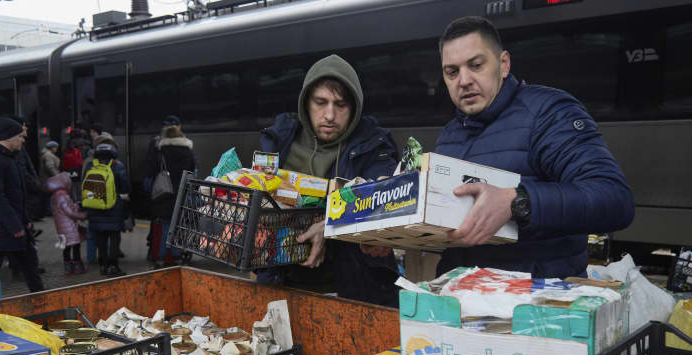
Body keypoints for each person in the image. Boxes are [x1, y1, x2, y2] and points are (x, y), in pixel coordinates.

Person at [433, 16, 635, 278]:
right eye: (452, 72)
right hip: (459, 301)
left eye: (476, 65)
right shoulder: (449, 136)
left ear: (503, 64)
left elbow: (615, 199)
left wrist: (518, 203)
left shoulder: (548, 113)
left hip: (536, 308)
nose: (464, 80)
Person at [258, 54, 400, 307]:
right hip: (283, 284)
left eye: (341, 104)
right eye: (320, 102)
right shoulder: (280, 140)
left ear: (354, 107)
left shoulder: (375, 145)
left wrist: (330, 226)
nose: (330, 115)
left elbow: (384, 199)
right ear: (306, 102)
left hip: (355, 288)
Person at [0, 117, 45, 293]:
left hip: (13, 226)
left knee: (30, 267)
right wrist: (15, 225)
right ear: (9, 137)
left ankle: (42, 300)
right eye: (20, 137)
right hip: (4, 229)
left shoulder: (8, 158)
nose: (23, 140)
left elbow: (17, 194)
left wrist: (25, 220)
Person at [145, 116, 195, 268]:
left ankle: (160, 257)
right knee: (178, 226)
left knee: (165, 225)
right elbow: (192, 170)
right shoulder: (187, 151)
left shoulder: (160, 151)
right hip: (181, 192)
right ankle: (177, 256)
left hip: (164, 193)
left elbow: (151, 171)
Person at [82, 142, 131, 277]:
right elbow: (126, 187)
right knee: (114, 237)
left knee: (100, 238)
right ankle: (113, 266)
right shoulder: (117, 166)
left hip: (95, 207)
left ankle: (103, 266)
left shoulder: (90, 166)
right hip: (114, 208)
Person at [45, 172, 88, 274]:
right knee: (76, 246)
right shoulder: (62, 196)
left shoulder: (54, 196)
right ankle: (78, 267)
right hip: (69, 227)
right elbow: (69, 212)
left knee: (66, 247)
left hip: (60, 227)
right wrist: (82, 215)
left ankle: (68, 267)